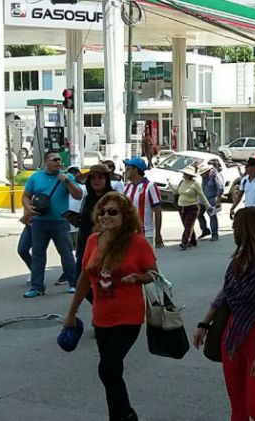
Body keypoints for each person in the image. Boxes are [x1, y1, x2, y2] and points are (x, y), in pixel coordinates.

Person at [63, 192, 157, 421]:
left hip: (128, 317)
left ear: (125, 216)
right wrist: (71, 313)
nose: (106, 216)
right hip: (101, 317)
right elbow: (85, 278)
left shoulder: (137, 242)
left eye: (113, 212)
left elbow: (154, 274)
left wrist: (138, 278)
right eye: (102, 212)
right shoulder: (93, 241)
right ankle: (119, 415)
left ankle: (125, 415)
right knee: (113, 372)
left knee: (107, 369)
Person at [193, 207, 255, 421]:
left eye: (237, 226)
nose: (234, 229)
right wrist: (203, 324)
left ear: (249, 230)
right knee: (238, 408)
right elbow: (224, 294)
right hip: (232, 338)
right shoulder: (237, 261)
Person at [21, 151, 84, 298]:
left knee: (66, 253)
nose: (58, 162)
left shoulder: (66, 177)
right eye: (54, 159)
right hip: (39, 221)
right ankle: (37, 286)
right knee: (38, 255)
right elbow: (26, 196)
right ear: (46, 162)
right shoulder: (35, 177)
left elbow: (78, 195)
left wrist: (67, 182)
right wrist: (28, 208)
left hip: (60, 222)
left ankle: (73, 283)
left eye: (59, 159)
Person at [77, 164, 115, 281]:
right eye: (93, 178)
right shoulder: (87, 198)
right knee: (83, 279)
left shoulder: (114, 197)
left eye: (100, 177)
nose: (96, 181)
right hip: (86, 244)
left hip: (108, 245)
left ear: (106, 179)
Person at [122, 157, 164, 248]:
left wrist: (158, 234)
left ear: (135, 169)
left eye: (128, 168)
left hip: (145, 234)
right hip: (128, 234)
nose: (126, 171)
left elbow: (157, 211)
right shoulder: (127, 187)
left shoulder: (150, 186)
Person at [176, 164, 213, 250]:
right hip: (182, 207)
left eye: (185, 173)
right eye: (184, 173)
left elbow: (201, 195)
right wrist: (170, 186)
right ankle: (193, 241)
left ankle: (184, 242)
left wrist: (208, 206)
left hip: (192, 207)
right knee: (187, 225)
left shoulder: (195, 183)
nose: (184, 175)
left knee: (188, 225)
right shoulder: (182, 182)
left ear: (189, 175)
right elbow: (178, 192)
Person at [197, 163, 224, 242]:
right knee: (198, 214)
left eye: (202, 173)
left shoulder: (215, 176)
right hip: (203, 199)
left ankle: (215, 234)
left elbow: (220, 188)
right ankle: (205, 230)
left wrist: (218, 201)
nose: (201, 175)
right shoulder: (204, 177)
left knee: (212, 216)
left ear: (207, 171)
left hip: (212, 199)